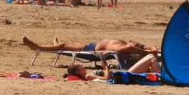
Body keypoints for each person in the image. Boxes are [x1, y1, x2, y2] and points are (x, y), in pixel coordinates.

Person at [23, 36, 159, 57]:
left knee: (64, 45)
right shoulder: (126, 43)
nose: (133, 42)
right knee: (65, 45)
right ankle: (54, 45)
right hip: (92, 45)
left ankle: (37, 47)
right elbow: (150, 46)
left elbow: (129, 49)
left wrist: (147, 53)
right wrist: (152, 49)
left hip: (92, 50)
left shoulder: (124, 47)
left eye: (136, 44)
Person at [65, 53, 161, 82]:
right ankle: (163, 77)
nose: (82, 65)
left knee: (150, 58)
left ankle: (162, 76)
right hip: (125, 77)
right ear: (77, 72)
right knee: (151, 57)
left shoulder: (88, 75)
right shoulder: (88, 76)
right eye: (79, 66)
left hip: (123, 76)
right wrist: (105, 67)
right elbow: (106, 78)